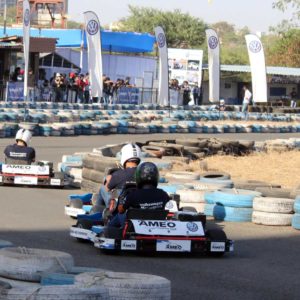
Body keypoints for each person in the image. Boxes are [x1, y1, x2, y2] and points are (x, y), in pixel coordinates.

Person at [109, 162, 170, 228]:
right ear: (156, 177)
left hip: (135, 228)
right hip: (157, 226)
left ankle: (108, 229)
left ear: (138, 177)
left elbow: (121, 211)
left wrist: (121, 201)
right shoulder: (163, 194)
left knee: (119, 215)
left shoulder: (133, 195)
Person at [95, 143, 141, 208]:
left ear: (124, 156)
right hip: (140, 205)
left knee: (102, 188)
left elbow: (107, 189)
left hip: (120, 208)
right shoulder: (144, 174)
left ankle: (97, 210)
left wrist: (108, 180)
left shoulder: (118, 174)